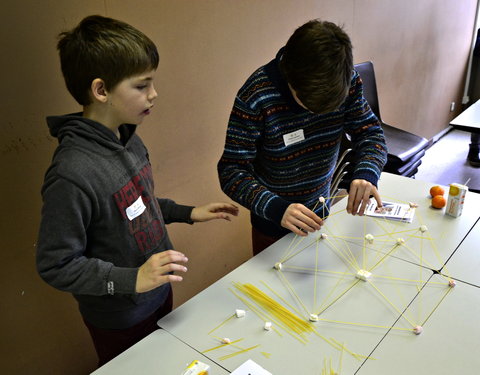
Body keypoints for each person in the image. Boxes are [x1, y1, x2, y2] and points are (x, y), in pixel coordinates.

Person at [36, 15, 238, 367]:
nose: (154, 94)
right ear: (101, 91)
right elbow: (56, 264)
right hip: (119, 318)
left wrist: (186, 213)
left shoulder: (129, 138)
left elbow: (134, 205)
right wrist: (133, 278)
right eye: (142, 85)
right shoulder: (72, 173)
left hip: (158, 295)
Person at [217, 19, 387, 255]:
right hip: (273, 223)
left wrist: (367, 172)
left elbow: (371, 133)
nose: (313, 116)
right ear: (289, 77)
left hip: (321, 212)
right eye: (306, 105)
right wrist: (276, 208)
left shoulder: (347, 81)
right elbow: (231, 171)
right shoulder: (256, 95)